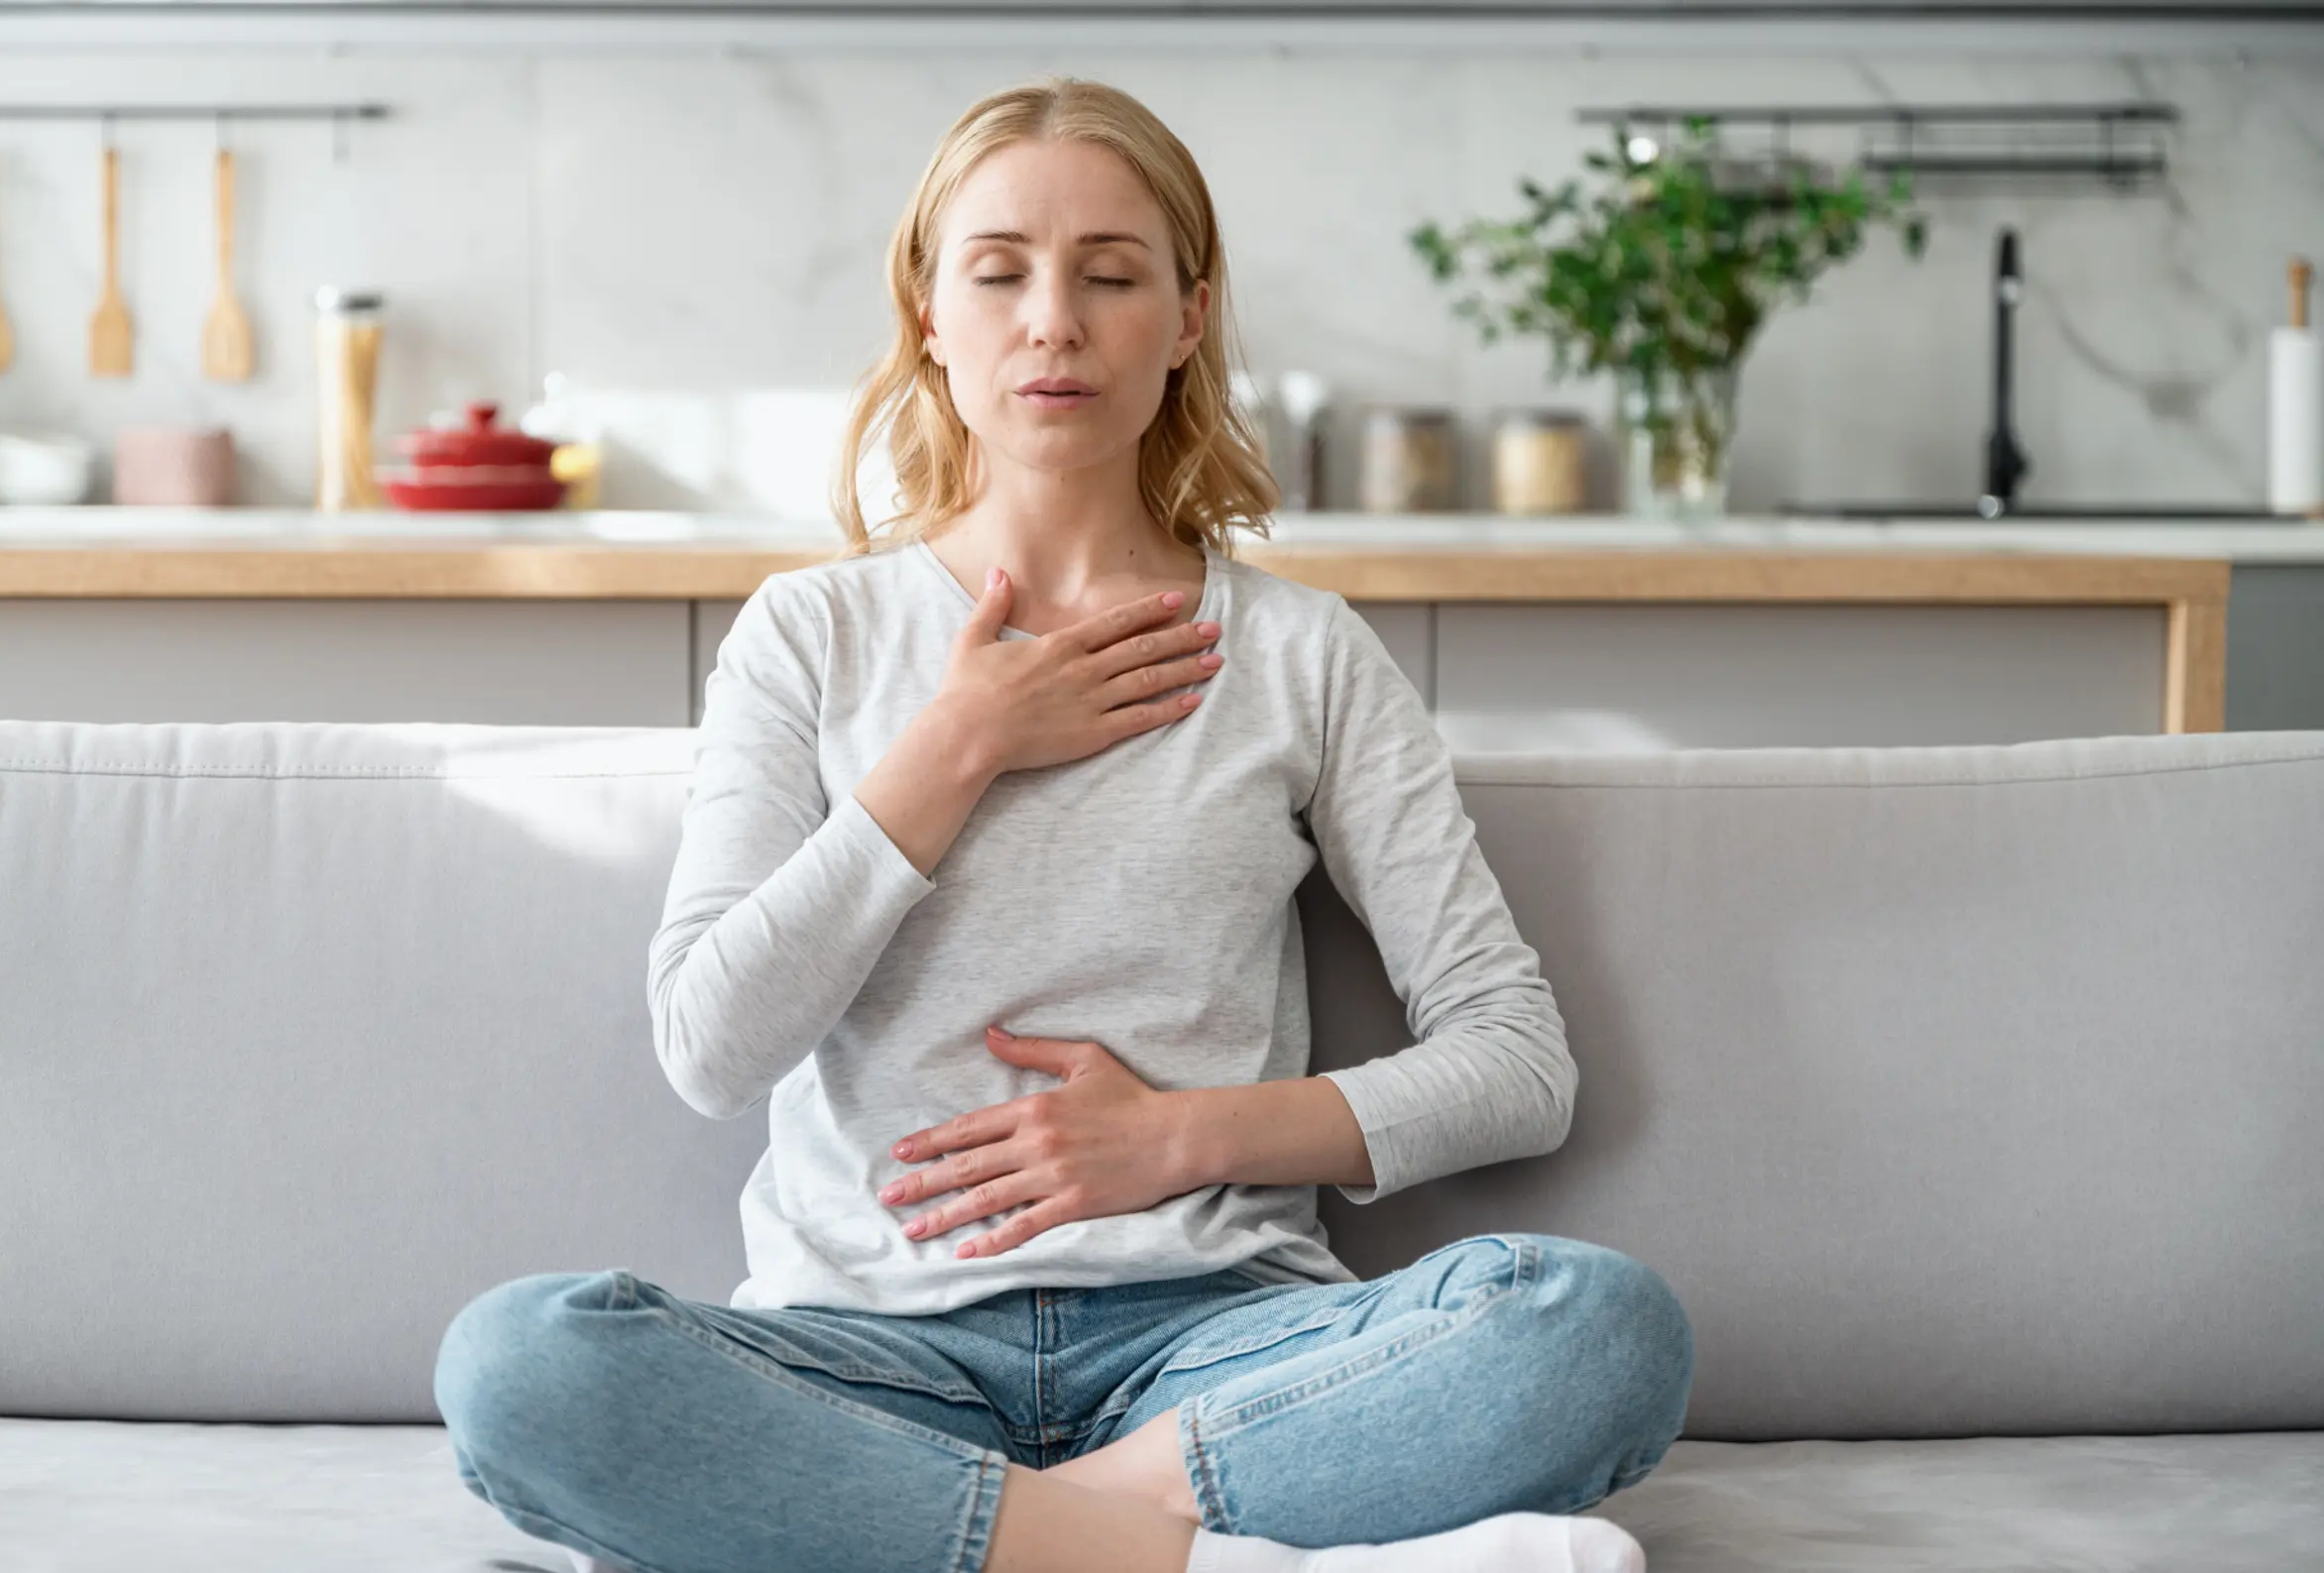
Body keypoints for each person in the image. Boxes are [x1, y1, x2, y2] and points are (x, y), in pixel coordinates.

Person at [434, 74, 1691, 1573]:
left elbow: (1515, 1060)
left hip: (1213, 1352)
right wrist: (956, 746)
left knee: (1601, 1329)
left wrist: (1175, 1138)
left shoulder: (1302, 654)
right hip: (868, 1360)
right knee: (520, 1365)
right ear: (928, 314)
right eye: (1001, 271)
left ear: (1187, 318)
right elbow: (710, 1043)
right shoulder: (809, 637)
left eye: (1112, 275)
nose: (1055, 320)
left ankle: (983, 1542)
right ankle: (1182, 1553)